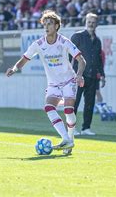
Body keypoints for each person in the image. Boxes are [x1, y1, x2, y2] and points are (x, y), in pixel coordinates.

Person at [6, 10, 86, 155]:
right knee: (49, 107)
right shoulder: (39, 44)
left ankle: (70, 138)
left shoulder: (64, 42)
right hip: (53, 84)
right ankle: (66, 139)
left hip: (69, 80)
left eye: (50, 23)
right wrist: (14, 68)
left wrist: (79, 75)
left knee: (68, 110)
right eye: (45, 24)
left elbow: (81, 60)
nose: (47, 26)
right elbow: (24, 59)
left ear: (56, 26)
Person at [71, 13, 104, 136]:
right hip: (79, 76)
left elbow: (99, 59)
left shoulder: (97, 41)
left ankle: (86, 128)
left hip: (92, 77)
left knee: (89, 104)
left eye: (93, 22)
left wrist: (102, 75)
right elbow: (70, 56)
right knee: (74, 103)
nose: (91, 24)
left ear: (96, 25)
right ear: (86, 22)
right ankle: (71, 128)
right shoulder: (77, 37)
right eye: (89, 22)